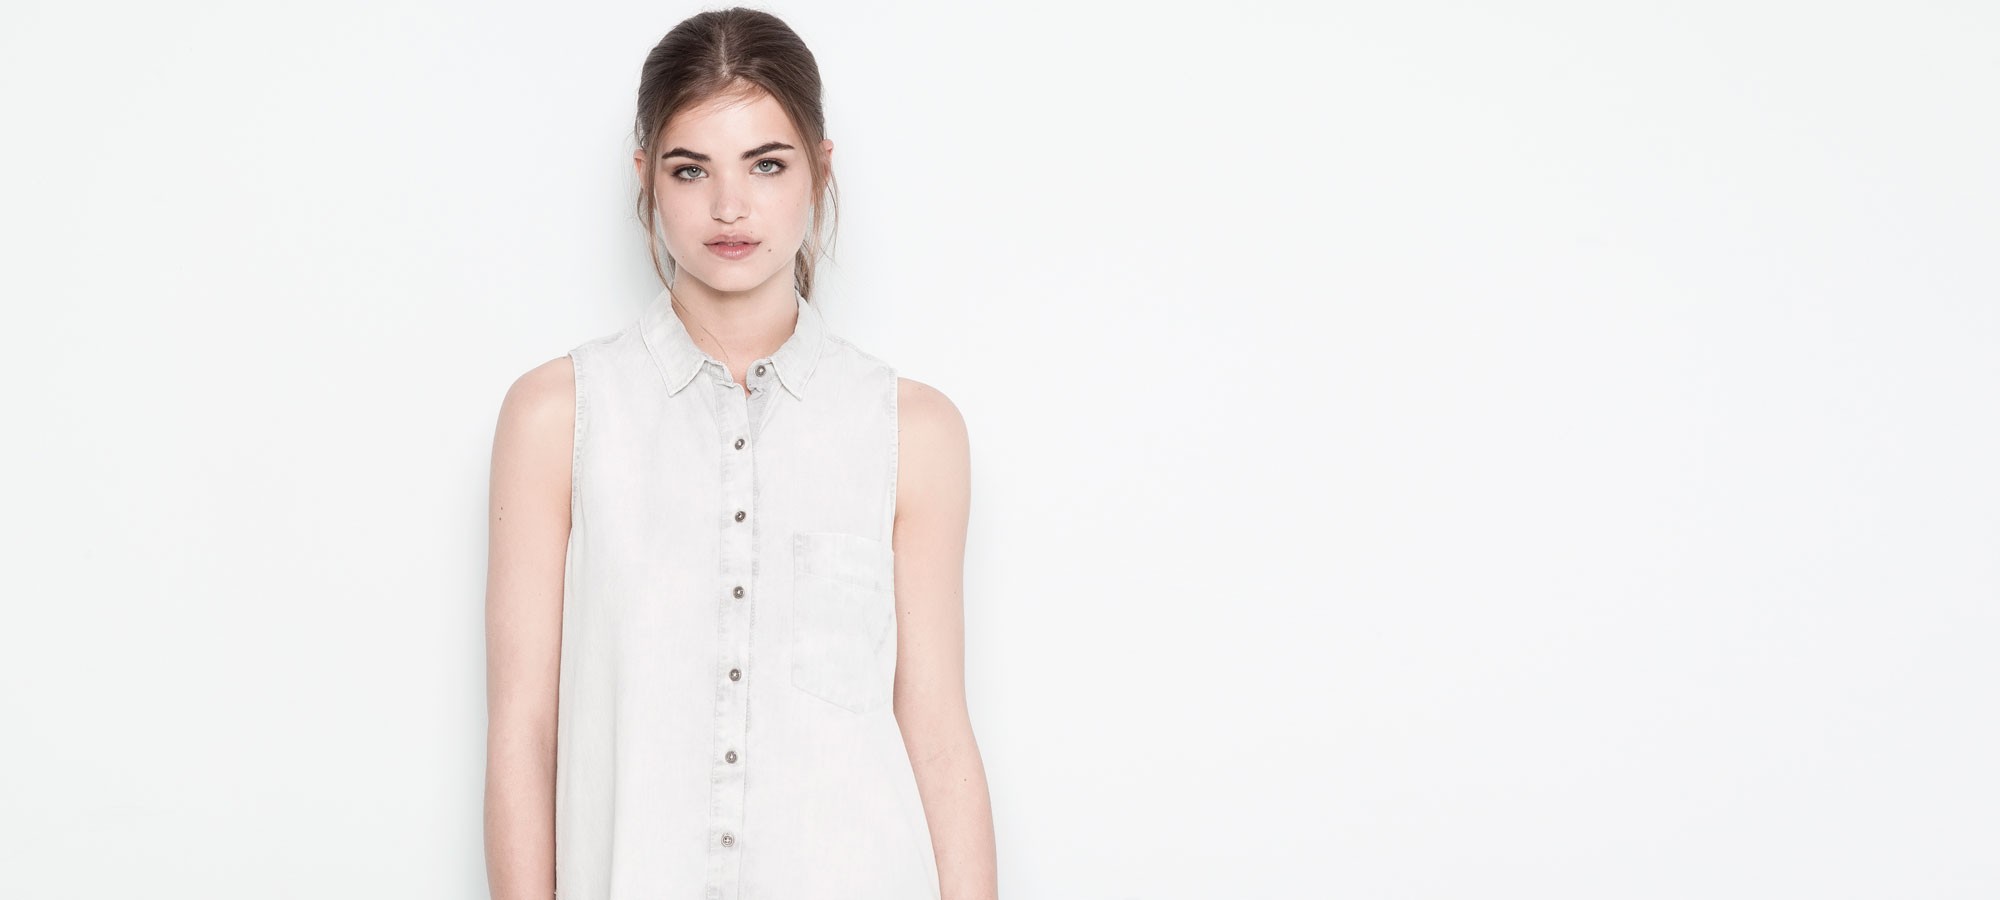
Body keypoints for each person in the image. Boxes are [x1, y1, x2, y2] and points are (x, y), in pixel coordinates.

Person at [481, 9, 997, 899]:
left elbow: (939, 735)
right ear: (645, 177)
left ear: (820, 170)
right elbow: (523, 734)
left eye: (767, 164)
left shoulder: (910, 430)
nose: (729, 206)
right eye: (691, 169)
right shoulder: (558, 416)